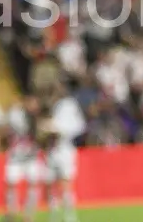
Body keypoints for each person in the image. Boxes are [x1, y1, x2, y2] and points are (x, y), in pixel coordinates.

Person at [42, 84, 86, 222]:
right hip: (52, 149)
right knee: (50, 183)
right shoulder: (52, 105)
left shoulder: (69, 105)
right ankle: (54, 216)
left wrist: (56, 128)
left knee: (66, 184)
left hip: (65, 149)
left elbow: (78, 126)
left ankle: (69, 217)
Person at [3, 96, 44, 222]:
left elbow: (41, 137)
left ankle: (29, 215)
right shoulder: (17, 115)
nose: (34, 107)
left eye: (35, 104)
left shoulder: (38, 119)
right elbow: (10, 125)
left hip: (31, 157)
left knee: (32, 185)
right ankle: (12, 211)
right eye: (31, 103)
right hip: (15, 156)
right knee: (10, 183)